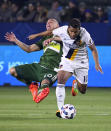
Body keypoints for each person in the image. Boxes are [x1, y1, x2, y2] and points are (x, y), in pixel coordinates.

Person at [43, 18, 103, 118]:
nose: (73, 33)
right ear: (68, 29)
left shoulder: (85, 34)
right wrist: (51, 38)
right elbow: (61, 37)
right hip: (68, 61)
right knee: (60, 78)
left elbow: (93, 49)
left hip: (82, 63)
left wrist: (97, 63)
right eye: (71, 31)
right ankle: (60, 109)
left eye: (75, 31)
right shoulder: (63, 30)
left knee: (82, 90)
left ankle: (75, 83)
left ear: (79, 29)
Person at [5, 18, 63, 103]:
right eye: (46, 23)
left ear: (58, 26)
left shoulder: (64, 34)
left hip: (53, 68)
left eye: (51, 22)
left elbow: (71, 39)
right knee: (12, 71)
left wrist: (50, 38)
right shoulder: (44, 39)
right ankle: (32, 86)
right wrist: (15, 40)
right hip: (39, 66)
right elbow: (29, 49)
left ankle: (43, 90)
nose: (48, 23)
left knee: (45, 83)